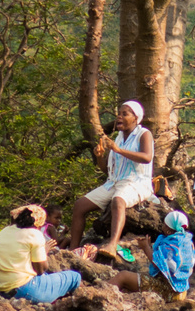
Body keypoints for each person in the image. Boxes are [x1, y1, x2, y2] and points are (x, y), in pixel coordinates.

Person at [66, 100, 156, 262]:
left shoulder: (144, 134)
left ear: (136, 118)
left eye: (124, 114)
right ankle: (73, 249)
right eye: (118, 114)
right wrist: (100, 157)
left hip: (136, 182)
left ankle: (112, 245)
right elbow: (108, 171)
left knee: (118, 200)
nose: (119, 117)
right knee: (80, 205)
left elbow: (147, 157)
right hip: (114, 182)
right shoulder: (119, 138)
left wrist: (118, 150)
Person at [0, 204, 82, 303]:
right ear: (39, 222)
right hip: (24, 290)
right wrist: (45, 250)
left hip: (0, 289)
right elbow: (40, 270)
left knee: (47, 277)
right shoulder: (34, 234)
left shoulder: (4, 231)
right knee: (75, 277)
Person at [106, 210, 195, 301]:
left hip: (169, 291)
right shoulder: (186, 241)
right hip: (181, 290)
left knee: (123, 276)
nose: (162, 227)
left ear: (169, 230)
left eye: (165, 225)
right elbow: (168, 263)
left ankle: (101, 294)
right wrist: (149, 247)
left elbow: (159, 264)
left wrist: (145, 248)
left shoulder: (172, 244)